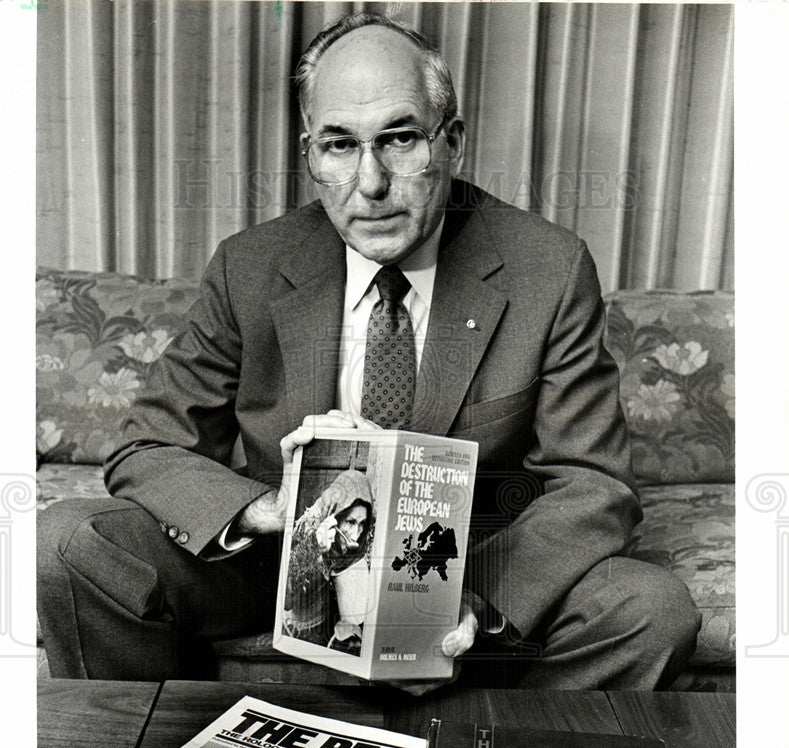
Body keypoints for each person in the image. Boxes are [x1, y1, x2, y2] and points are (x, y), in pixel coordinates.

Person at [37, 12, 701, 688]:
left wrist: (468, 600)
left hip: (466, 561)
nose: (371, 182)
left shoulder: (546, 267)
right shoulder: (251, 265)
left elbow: (592, 483)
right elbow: (147, 447)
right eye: (339, 145)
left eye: (400, 139)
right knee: (73, 540)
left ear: (452, 143)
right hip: (281, 563)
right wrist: (274, 509)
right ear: (310, 155)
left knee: (649, 608)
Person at [283, 469, 373, 652]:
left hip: (335, 630)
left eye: (362, 524)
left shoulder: (361, 542)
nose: (356, 535)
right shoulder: (309, 530)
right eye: (350, 522)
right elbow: (287, 596)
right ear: (335, 516)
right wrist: (316, 548)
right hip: (302, 632)